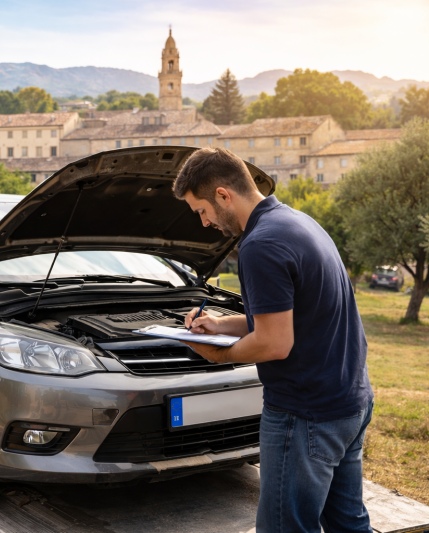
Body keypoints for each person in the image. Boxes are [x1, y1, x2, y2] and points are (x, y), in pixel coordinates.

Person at [172, 147, 374, 533]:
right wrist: (220, 325)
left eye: (201, 211)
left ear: (223, 195)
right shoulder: (297, 222)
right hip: (349, 402)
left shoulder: (260, 244)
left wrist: (218, 356)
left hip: (305, 415)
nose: (204, 224)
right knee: (348, 525)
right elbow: (287, 317)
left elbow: (274, 343)